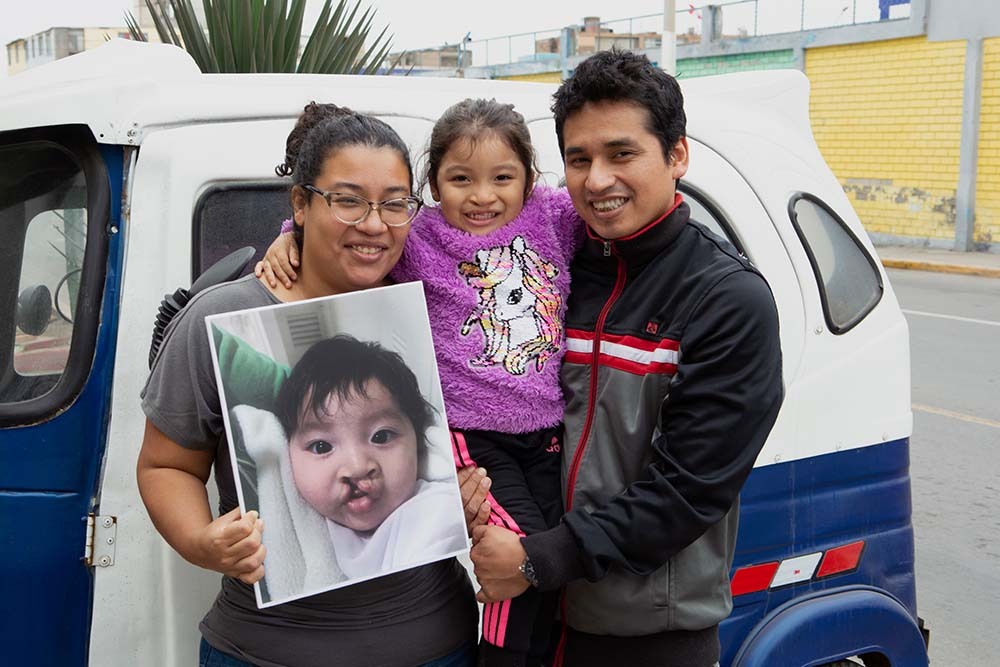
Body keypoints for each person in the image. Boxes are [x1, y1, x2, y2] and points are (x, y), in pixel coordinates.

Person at [137, 108, 489, 667]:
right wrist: (201, 542)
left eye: (395, 202)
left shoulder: (440, 311)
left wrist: (467, 497)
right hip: (262, 650)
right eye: (348, 200)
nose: (375, 224)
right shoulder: (225, 317)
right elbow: (165, 465)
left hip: (434, 646)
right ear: (300, 204)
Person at [468, 50, 785, 667]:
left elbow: (687, 490)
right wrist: (292, 247)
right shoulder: (550, 267)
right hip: (532, 618)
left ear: (677, 155)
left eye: (622, 154)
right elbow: (425, 242)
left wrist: (539, 559)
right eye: (579, 159)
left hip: (645, 639)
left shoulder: (727, 298)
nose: (596, 180)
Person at [258, 98, 584, 667]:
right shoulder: (423, 237)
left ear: (529, 181)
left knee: (554, 556)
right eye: (461, 179)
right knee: (522, 554)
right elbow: (352, 236)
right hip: (474, 435)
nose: (483, 196)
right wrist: (289, 235)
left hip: (546, 431)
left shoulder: (550, 220)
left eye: (502, 178)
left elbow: (602, 217)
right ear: (433, 185)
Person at [274, 335, 467, 579]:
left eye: (382, 436)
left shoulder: (432, 512)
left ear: (418, 442)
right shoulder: (290, 527)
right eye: (321, 447)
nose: (357, 468)